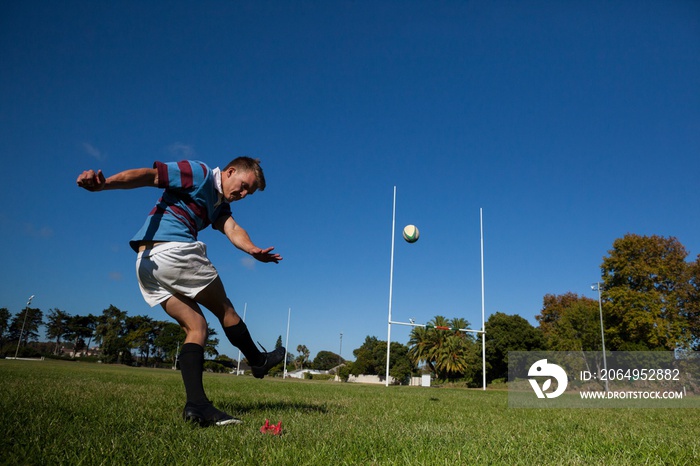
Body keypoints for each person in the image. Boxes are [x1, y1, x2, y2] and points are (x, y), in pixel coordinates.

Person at [77, 157, 285, 427]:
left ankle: (197, 406)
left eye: (249, 193)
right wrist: (104, 185)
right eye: (244, 186)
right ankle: (257, 361)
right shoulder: (198, 174)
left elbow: (232, 229)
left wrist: (251, 249)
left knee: (196, 326)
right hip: (173, 251)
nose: (243, 194)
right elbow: (149, 176)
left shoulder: (219, 204)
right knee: (225, 309)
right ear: (230, 171)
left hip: (146, 264)